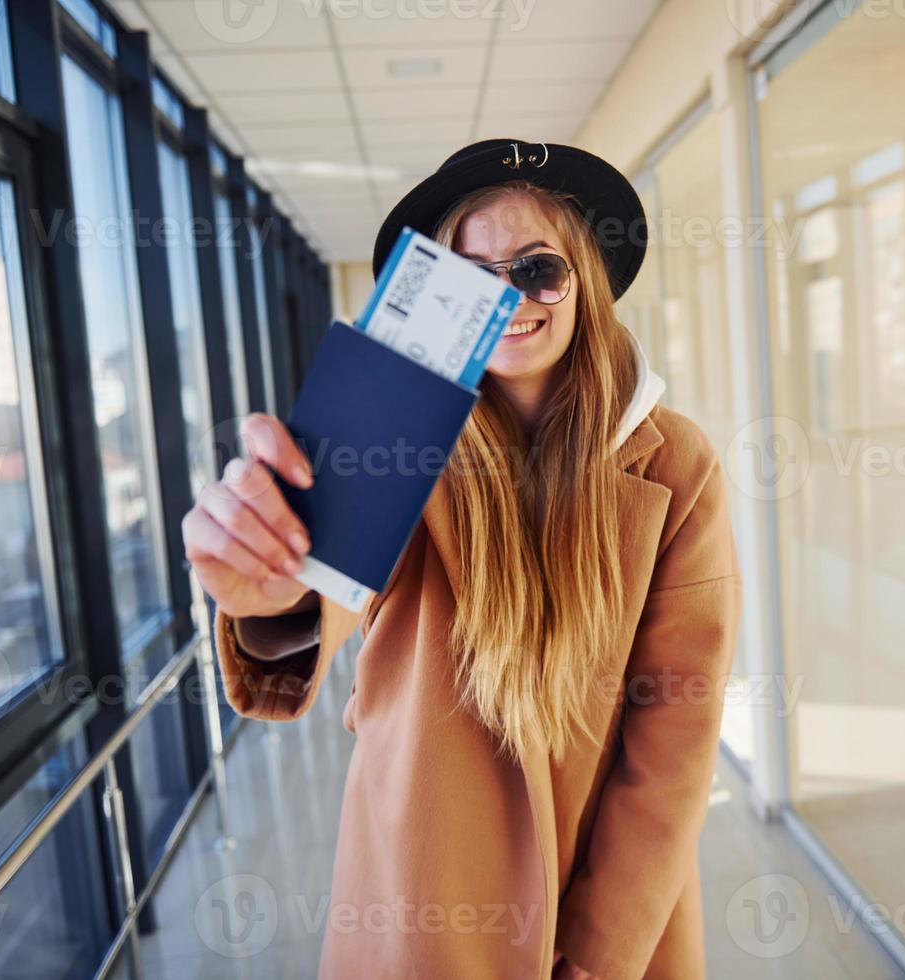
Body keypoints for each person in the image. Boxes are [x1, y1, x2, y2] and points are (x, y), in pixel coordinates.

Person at [181, 138, 742, 979]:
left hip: (609, 885)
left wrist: (601, 951)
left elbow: (677, 730)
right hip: (425, 886)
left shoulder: (673, 461)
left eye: (537, 269)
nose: (507, 298)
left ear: (583, 281)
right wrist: (269, 589)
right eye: (473, 274)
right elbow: (323, 587)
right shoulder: (390, 435)